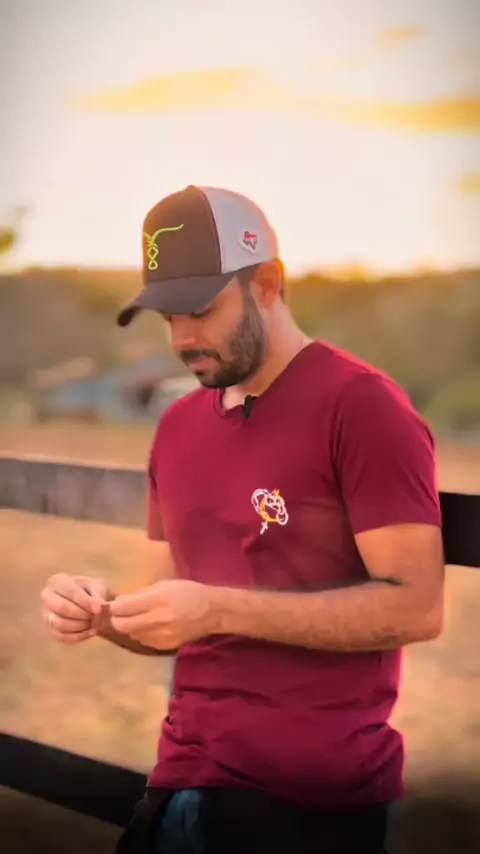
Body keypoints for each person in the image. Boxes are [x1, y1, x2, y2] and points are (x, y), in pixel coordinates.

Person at [40, 185, 445, 853]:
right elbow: (167, 615)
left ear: (267, 284)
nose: (182, 339)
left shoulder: (362, 405)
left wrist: (217, 610)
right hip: (175, 786)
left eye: (200, 311)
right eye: (168, 318)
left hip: (310, 806)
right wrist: (101, 613)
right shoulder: (175, 427)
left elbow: (417, 606)